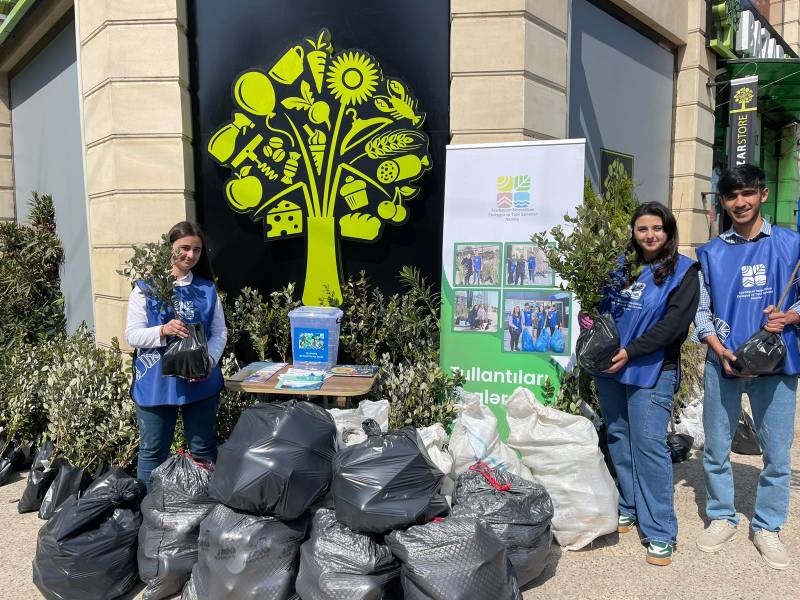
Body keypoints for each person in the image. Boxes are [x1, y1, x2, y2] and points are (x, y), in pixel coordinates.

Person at [693, 164, 800, 570]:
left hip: (778, 361)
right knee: (717, 448)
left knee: (776, 453)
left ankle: (768, 526)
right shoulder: (711, 252)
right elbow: (701, 310)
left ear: (763, 195)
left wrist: (791, 317)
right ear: (722, 202)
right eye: (731, 196)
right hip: (723, 362)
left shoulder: (792, 245)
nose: (740, 202)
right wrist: (716, 346)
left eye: (747, 194)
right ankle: (722, 516)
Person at [585, 201, 699, 566]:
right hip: (611, 368)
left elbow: (674, 326)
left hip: (651, 369)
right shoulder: (620, 267)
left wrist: (631, 352)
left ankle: (660, 531)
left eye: (657, 228)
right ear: (633, 233)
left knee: (648, 445)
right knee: (618, 436)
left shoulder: (684, 272)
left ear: (668, 231)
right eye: (642, 229)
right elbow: (604, 309)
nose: (650, 235)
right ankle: (629, 505)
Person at [125, 221, 228, 491]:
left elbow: (220, 333)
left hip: (201, 382)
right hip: (156, 382)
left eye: (196, 249)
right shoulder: (144, 289)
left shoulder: (207, 289)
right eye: (184, 248)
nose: (190, 255)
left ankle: (203, 507)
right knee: (153, 451)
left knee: (203, 449)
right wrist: (163, 330)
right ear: (169, 248)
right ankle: (146, 514)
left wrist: (209, 360)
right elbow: (132, 335)